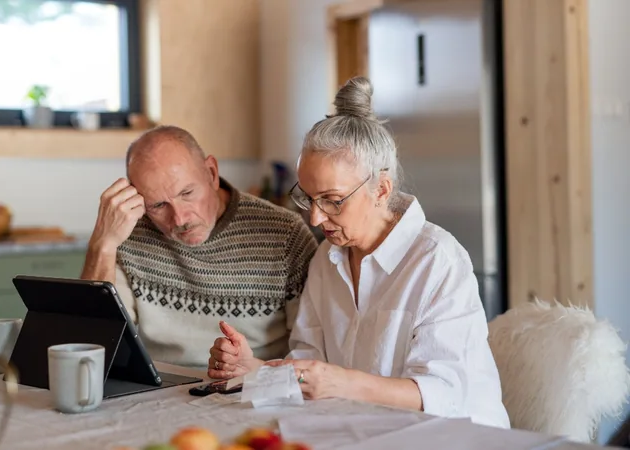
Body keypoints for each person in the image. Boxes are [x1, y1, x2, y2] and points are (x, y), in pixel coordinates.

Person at [207, 76, 510, 429]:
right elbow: (309, 369)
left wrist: (341, 383)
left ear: (381, 190)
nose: (316, 218)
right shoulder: (327, 259)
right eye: (307, 198)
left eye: (333, 201)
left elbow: (443, 394)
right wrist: (253, 369)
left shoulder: (437, 261)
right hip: (367, 431)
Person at [80, 125, 318, 368]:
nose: (180, 219)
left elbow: (312, 355)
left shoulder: (286, 234)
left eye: (187, 193)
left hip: (254, 389)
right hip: (158, 392)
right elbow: (93, 345)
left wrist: (254, 369)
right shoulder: (128, 232)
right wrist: (103, 244)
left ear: (212, 173)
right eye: (159, 205)